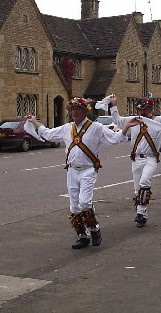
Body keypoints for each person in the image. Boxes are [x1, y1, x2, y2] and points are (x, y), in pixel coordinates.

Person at [27, 97, 139, 249]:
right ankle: (83, 235)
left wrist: (126, 127)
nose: (74, 112)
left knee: (85, 202)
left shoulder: (96, 127)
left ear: (85, 111)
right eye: (72, 109)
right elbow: (47, 134)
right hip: (72, 170)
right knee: (74, 207)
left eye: (77, 109)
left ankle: (94, 229)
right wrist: (34, 121)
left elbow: (115, 138)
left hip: (88, 170)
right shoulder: (67, 128)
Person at [109, 94, 161, 228]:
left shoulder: (159, 120)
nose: (143, 112)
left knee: (144, 182)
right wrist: (113, 105)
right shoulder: (134, 120)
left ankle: (140, 213)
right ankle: (142, 213)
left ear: (150, 108)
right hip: (136, 158)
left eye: (146, 109)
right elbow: (118, 121)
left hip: (151, 158)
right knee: (137, 189)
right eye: (141, 109)